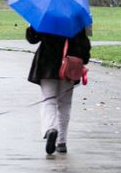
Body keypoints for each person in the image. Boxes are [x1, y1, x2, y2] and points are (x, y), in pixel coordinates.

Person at [26, 25, 91, 155]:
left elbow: (32, 39)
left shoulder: (46, 16)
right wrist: (82, 59)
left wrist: (31, 27)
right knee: (65, 104)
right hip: (69, 66)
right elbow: (85, 48)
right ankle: (61, 142)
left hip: (46, 65)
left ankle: (51, 128)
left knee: (49, 100)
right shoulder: (75, 18)